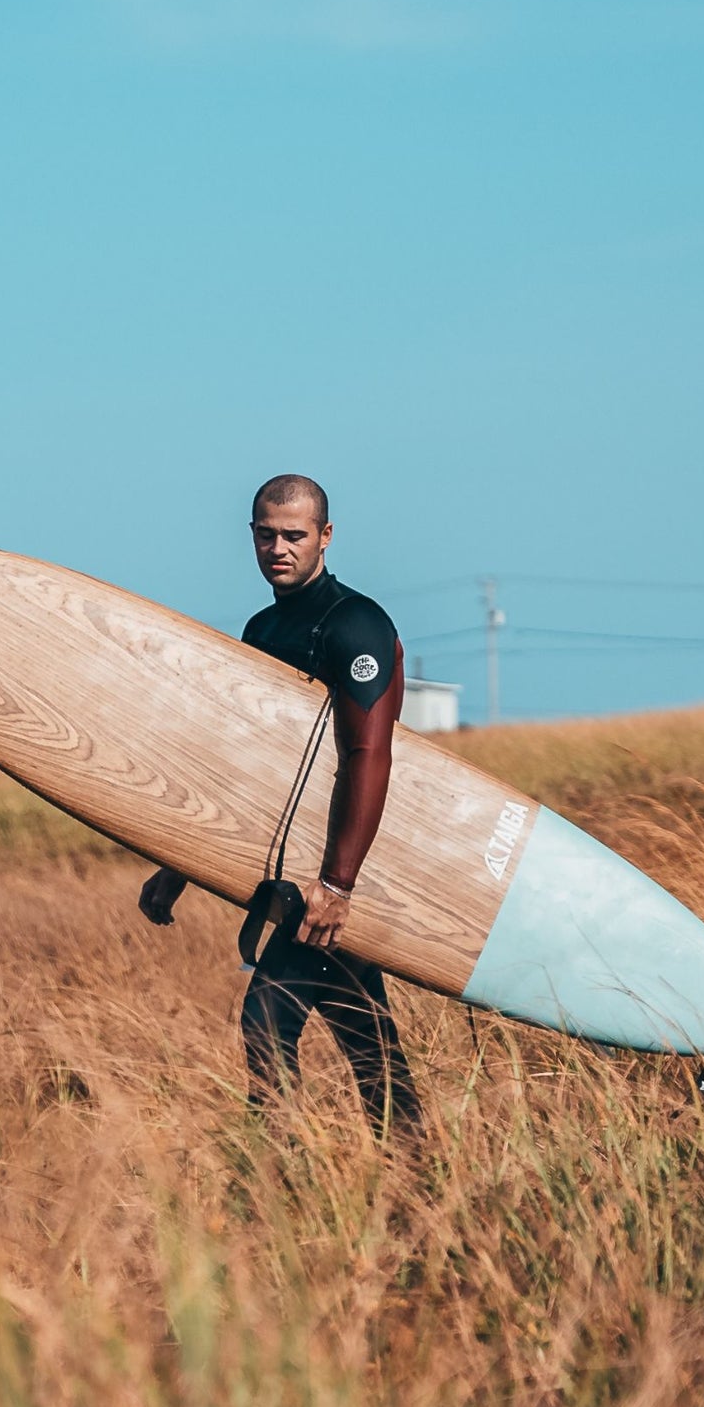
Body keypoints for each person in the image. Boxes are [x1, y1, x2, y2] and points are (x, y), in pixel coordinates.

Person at [138, 474, 420, 1134]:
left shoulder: (356, 624)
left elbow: (368, 754)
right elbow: (246, 769)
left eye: (294, 535)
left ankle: (278, 1172)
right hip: (294, 874)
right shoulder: (262, 629)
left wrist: (338, 884)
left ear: (326, 536)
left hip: (339, 870)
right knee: (366, 1036)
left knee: (267, 1019)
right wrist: (177, 868)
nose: (278, 548)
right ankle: (416, 1164)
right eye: (266, 535)